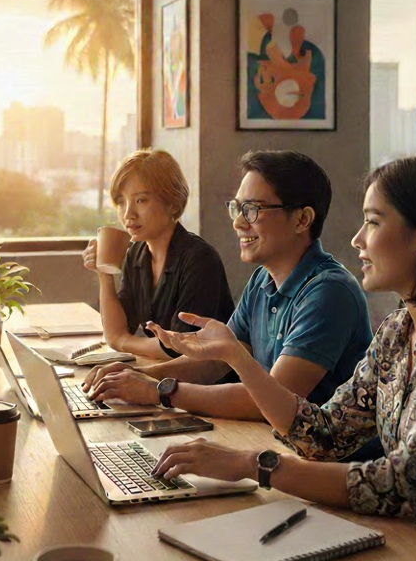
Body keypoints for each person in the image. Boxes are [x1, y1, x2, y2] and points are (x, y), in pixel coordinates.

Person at [148, 154, 416, 561]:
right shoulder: (398, 330)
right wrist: (236, 355)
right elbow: (324, 434)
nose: (357, 239)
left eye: (374, 222)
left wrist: (252, 464)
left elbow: (405, 484)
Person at [85, 150, 372, 420]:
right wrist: (142, 376)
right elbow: (216, 361)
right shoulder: (262, 279)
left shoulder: (328, 292)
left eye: (252, 209)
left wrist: (157, 390)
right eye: (236, 208)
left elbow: (277, 400)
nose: (237, 223)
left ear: (302, 219)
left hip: (326, 463)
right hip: (275, 442)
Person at [82, 148, 234, 360]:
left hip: (209, 384)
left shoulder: (199, 259)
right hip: (165, 374)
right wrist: (104, 274)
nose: (128, 214)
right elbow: (118, 327)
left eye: (141, 200)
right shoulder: (137, 252)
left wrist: (123, 341)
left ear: (172, 203)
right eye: (121, 201)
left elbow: (181, 347)